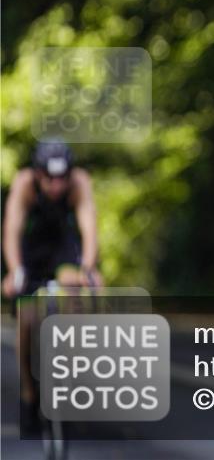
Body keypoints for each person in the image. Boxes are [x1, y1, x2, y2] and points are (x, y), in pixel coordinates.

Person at [2, 139, 103, 430]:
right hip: (31, 251)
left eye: (62, 178)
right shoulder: (24, 185)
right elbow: (11, 231)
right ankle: (28, 391)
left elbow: (88, 228)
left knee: (76, 296)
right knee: (27, 317)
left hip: (63, 247)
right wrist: (14, 271)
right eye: (49, 178)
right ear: (37, 173)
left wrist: (88, 267)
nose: (56, 186)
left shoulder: (80, 183)